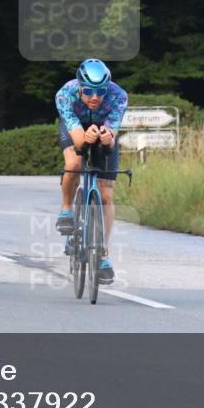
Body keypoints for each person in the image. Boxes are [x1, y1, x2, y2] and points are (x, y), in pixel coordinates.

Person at [54, 59, 128, 285]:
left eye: (101, 92)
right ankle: (67, 209)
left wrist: (108, 138)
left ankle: (103, 253)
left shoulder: (119, 96)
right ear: (79, 87)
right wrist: (85, 139)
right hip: (76, 128)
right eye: (88, 91)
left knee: (106, 195)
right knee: (75, 164)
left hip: (103, 131)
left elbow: (112, 138)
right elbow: (78, 140)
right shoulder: (65, 94)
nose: (95, 97)